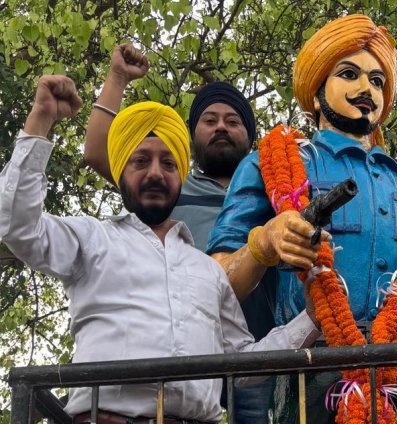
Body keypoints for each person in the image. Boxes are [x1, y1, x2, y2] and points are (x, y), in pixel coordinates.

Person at [0, 76, 324, 423]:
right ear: (121, 172)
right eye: (141, 161)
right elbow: (18, 225)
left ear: (181, 176)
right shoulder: (90, 239)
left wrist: (312, 318)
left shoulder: (208, 271)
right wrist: (41, 119)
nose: (155, 173)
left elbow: (244, 364)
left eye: (168, 164)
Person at [206, 14, 397, 423]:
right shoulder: (271, 162)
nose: (366, 88)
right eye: (349, 74)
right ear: (316, 95)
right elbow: (214, 284)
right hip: (308, 372)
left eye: (377, 81)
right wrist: (264, 244)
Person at [83, 44, 276, 423]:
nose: (221, 127)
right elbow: (97, 152)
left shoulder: (274, 193)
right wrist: (118, 78)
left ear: (249, 137)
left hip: (257, 351)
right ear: (191, 137)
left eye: (233, 121)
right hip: (180, 349)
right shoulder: (168, 185)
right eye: (209, 120)